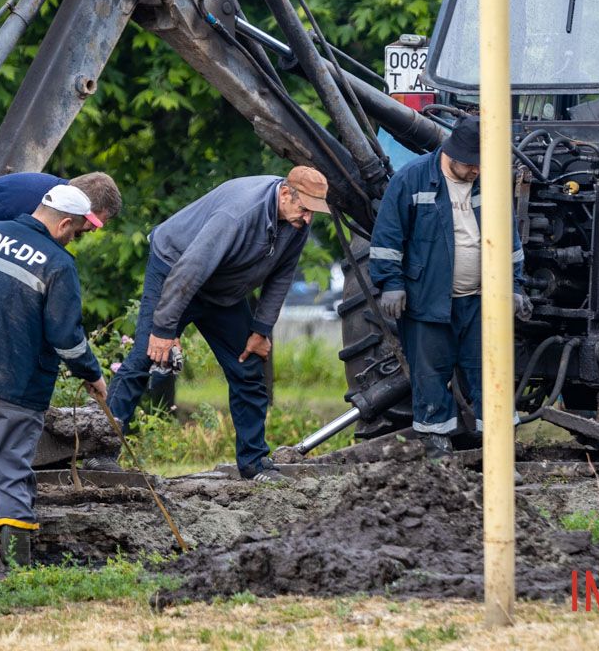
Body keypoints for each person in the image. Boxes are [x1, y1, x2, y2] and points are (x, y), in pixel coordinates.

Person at [105, 167, 330, 482]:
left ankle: (254, 464)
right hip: (175, 268)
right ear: (284, 194)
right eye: (304, 209)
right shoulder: (238, 214)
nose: (308, 219)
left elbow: (282, 275)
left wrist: (261, 330)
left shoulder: (296, 221)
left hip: (223, 288)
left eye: (314, 212)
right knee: (144, 354)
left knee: (248, 365)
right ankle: (99, 453)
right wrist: (164, 330)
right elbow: (190, 269)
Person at [0, 184, 112, 570]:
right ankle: (17, 570)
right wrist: (92, 374)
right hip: (14, 383)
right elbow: (65, 337)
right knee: (12, 470)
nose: (75, 240)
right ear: (64, 223)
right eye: (78, 232)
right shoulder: (57, 264)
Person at [369, 120, 530, 459]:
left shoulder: (488, 182)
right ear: (450, 153)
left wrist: (514, 285)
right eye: (471, 163)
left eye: (482, 163)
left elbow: (509, 242)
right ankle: (438, 452)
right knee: (430, 376)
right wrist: (391, 284)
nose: (477, 170)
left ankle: (498, 455)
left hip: (480, 302)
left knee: (491, 373)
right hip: (427, 303)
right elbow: (387, 238)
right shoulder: (411, 180)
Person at [0, 171, 122, 369]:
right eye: (94, 221)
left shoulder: (48, 202)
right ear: (80, 201)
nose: (93, 229)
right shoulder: (25, 202)